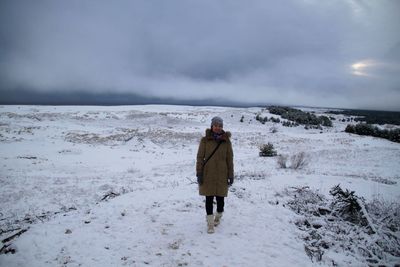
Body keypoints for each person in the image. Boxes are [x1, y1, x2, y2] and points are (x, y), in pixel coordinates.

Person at [196, 116, 234, 234]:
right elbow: (199, 158)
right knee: (208, 199)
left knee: (220, 200)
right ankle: (210, 223)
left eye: (220, 126)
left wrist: (231, 175)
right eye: (216, 125)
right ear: (212, 126)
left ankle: (218, 217)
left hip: (222, 175)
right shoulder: (205, 140)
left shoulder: (226, 141)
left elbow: (230, 159)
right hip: (208, 174)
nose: (218, 127)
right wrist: (199, 173)